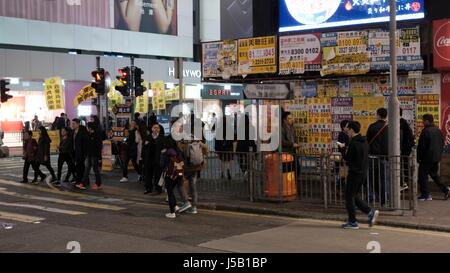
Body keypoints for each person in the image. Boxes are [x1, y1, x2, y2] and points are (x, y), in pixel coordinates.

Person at [342, 121, 379, 230]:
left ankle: (353, 222)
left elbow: (348, 159)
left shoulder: (353, 143)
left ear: (352, 130)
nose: (346, 132)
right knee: (353, 195)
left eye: (347, 130)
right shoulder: (364, 141)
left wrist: (343, 149)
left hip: (354, 173)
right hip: (362, 173)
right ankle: (370, 212)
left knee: (349, 196)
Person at [417, 114, 450, 201]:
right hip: (436, 157)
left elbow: (421, 146)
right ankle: (446, 190)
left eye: (423, 121)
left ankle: (425, 194)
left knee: (422, 175)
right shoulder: (438, 130)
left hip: (427, 158)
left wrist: (418, 157)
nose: (423, 122)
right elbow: (442, 143)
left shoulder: (425, 131)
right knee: (434, 175)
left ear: (427, 121)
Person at [178, 133, 208, 215]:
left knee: (180, 184)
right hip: (196, 167)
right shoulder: (198, 141)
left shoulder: (182, 143)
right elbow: (206, 149)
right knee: (193, 186)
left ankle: (186, 202)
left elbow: (180, 154)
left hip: (187, 167)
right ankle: (194, 208)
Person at [366, 108, 389, 206]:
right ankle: (385, 200)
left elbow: (368, 140)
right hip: (386, 157)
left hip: (373, 157)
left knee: (371, 178)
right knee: (384, 180)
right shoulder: (389, 127)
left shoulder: (372, 127)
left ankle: (371, 197)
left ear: (378, 115)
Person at [160, 136, 185, 219]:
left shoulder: (166, 152)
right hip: (178, 173)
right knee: (171, 191)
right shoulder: (178, 150)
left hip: (170, 174)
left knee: (170, 192)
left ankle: (172, 212)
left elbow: (162, 164)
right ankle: (175, 206)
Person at [78, 122, 103, 190]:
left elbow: (99, 147)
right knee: (87, 169)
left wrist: (99, 157)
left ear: (90, 128)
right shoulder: (89, 135)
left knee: (95, 170)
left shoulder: (96, 135)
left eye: (87, 127)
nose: (87, 128)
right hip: (89, 154)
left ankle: (98, 184)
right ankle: (83, 183)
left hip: (94, 155)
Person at [144, 123, 166, 194]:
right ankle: (148, 188)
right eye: (154, 127)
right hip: (149, 159)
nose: (156, 129)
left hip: (158, 159)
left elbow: (164, 148)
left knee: (158, 175)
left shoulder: (162, 138)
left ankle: (158, 189)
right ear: (152, 129)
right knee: (148, 175)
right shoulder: (148, 137)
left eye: (157, 128)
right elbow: (144, 148)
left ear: (159, 129)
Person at [400, 109, 415, 190]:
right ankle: (406, 182)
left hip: (402, 149)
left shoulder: (400, 123)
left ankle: (403, 183)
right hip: (406, 149)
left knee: (399, 166)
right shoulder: (405, 123)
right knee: (405, 165)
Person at [71, 119, 89, 187]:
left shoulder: (82, 131)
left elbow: (85, 143)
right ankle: (84, 180)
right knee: (79, 167)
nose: (72, 125)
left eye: (74, 123)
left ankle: (80, 181)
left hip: (81, 153)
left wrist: (85, 153)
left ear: (78, 124)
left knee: (80, 167)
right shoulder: (73, 132)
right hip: (75, 152)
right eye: (72, 123)